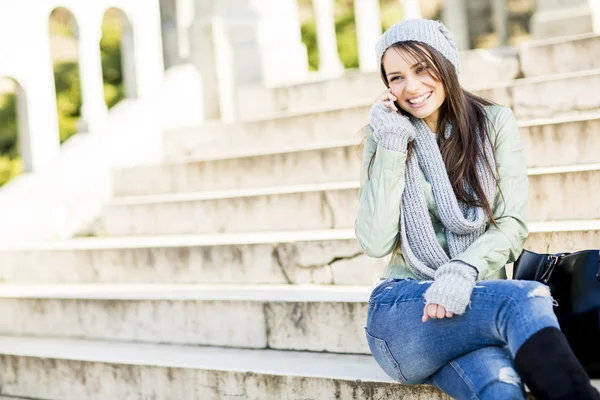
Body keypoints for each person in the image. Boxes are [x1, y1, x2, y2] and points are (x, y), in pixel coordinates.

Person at [355, 18, 599, 400]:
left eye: (422, 68)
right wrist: (390, 145)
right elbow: (374, 241)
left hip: (474, 301)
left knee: (498, 387)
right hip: (404, 313)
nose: (412, 87)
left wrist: (463, 269)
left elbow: (511, 225)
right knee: (524, 297)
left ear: (446, 64)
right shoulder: (385, 133)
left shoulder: (494, 123)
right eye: (396, 77)